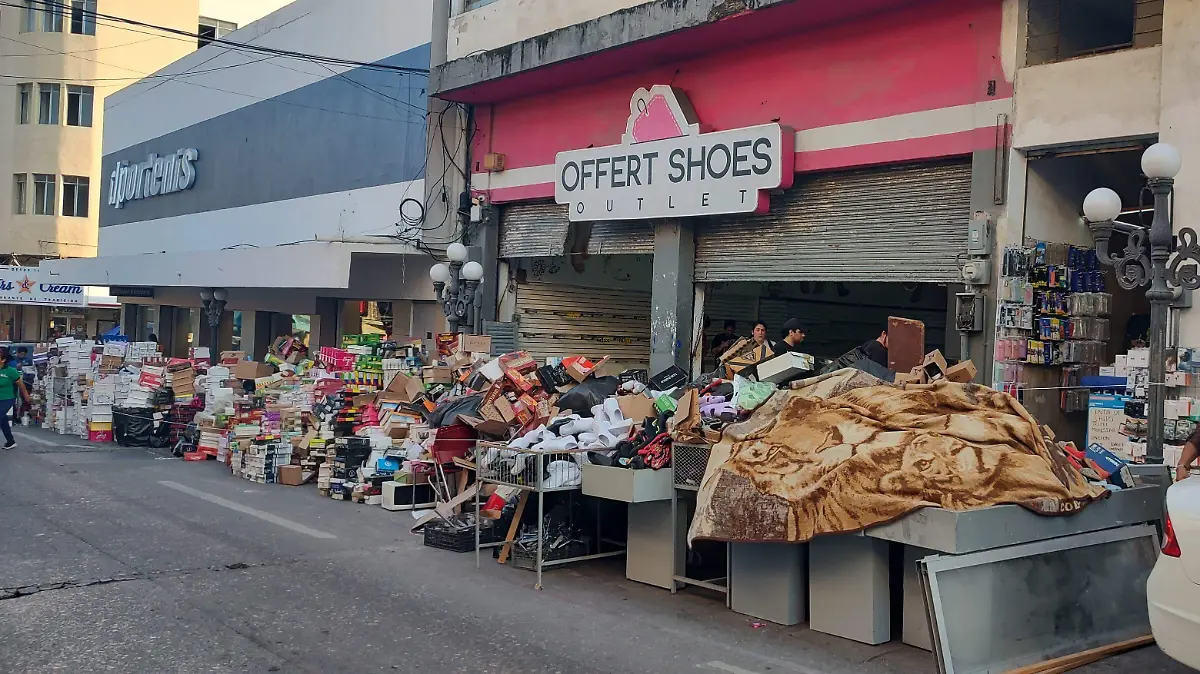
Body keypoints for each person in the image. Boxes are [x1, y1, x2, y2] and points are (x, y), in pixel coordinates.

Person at [0, 351, 30, 449]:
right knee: (3, 420)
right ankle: (10, 441)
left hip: (7, 398)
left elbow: (20, 384)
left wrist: (26, 395)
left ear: (3, 360)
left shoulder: (11, 371)